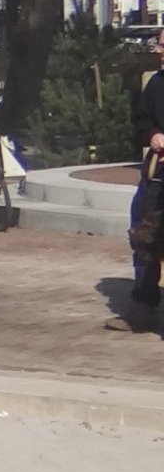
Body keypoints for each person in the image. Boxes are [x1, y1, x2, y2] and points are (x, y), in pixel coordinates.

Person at [104, 38, 164, 333]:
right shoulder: (156, 84)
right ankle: (142, 308)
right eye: (159, 44)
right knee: (143, 236)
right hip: (157, 176)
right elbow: (141, 121)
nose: (158, 50)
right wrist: (152, 134)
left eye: (163, 45)